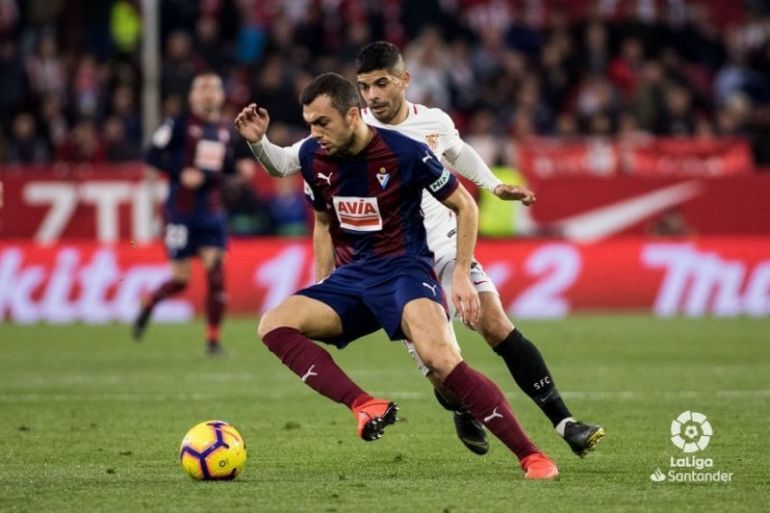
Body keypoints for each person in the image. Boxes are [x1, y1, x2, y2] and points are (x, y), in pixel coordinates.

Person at [240, 41, 605, 457]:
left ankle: (564, 421)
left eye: (381, 84)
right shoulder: (341, 137)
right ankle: (463, 406)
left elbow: (459, 152)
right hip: (393, 263)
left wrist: (493, 186)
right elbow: (291, 167)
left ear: (404, 81)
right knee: (442, 371)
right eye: (364, 86)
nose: (373, 95)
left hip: (444, 248)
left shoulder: (430, 124)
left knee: (494, 324)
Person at [133, 71, 248, 354]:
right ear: (193, 96)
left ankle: (212, 340)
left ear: (221, 95)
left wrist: (240, 170)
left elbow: (225, 166)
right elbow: (151, 157)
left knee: (217, 274)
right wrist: (179, 172)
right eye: (202, 88)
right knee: (181, 280)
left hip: (211, 212)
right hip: (181, 212)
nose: (209, 93)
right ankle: (150, 301)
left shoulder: (225, 130)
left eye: (213, 87)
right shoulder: (177, 125)